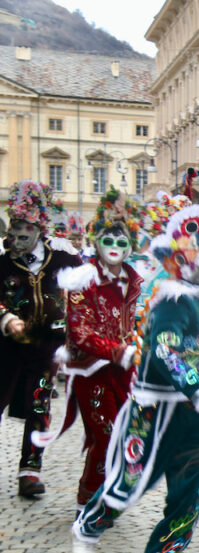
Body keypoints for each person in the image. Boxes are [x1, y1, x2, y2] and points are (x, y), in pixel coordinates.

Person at [71, 199, 199, 553]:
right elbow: (164, 349)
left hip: (192, 413)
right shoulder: (175, 300)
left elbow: (196, 355)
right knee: (129, 481)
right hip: (153, 412)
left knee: (190, 488)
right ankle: (87, 527)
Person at [33, 189, 147, 511]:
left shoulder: (134, 281)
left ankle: (110, 492)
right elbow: (80, 331)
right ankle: (90, 497)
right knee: (106, 435)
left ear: (129, 248)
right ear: (97, 244)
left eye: (121, 243)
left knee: (127, 433)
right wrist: (116, 351)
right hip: (89, 370)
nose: (114, 248)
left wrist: (139, 347)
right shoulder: (84, 279)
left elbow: (132, 324)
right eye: (108, 242)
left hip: (124, 371)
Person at [0, 180, 81, 498]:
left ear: (39, 229)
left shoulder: (61, 259)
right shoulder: (3, 263)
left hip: (46, 345)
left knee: (39, 403)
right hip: (6, 346)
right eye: (15, 229)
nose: (17, 237)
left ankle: (29, 471)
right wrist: (6, 318)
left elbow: (87, 287)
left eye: (25, 230)